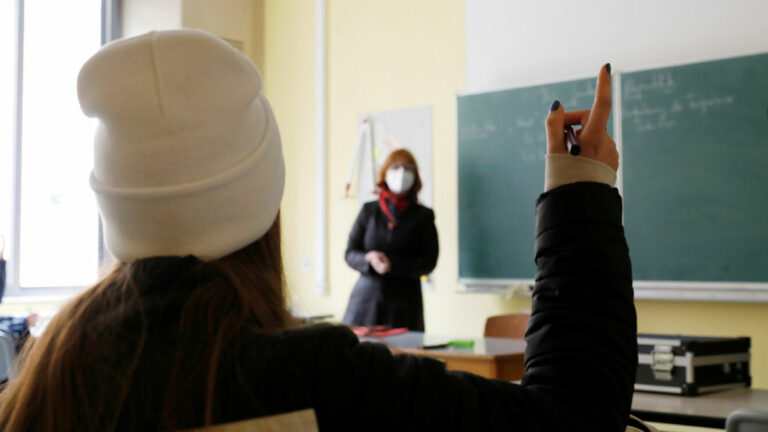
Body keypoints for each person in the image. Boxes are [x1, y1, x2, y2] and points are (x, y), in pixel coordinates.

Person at [0, 30, 638, 432]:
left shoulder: (42, 384)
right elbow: (571, 419)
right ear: (266, 201)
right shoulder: (318, 380)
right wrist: (578, 191)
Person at [342, 149, 438, 331]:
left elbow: (429, 262)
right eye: (395, 167)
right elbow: (350, 253)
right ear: (385, 173)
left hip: (404, 307)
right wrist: (369, 260)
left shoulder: (423, 216)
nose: (401, 173)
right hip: (365, 304)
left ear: (415, 176)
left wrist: (392, 264)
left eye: (408, 168)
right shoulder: (369, 211)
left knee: (402, 357)